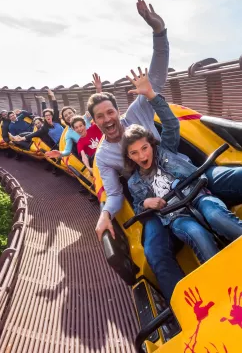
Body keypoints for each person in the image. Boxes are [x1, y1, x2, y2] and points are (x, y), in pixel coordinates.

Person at [121, 67, 242, 300]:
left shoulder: (166, 151)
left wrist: (151, 96)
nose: (141, 155)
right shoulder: (136, 182)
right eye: (134, 153)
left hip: (198, 195)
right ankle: (225, 283)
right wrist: (146, 202)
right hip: (176, 216)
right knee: (197, 234)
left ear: (151, 145)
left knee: (216, 215)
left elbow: (170, 124)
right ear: (129, 157)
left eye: (144, 148)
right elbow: (138, 206)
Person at [45, 73, 102, 160]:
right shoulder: (68, 134)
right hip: (92, 154)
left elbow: (95, 106)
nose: (68, 116)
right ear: (64, 119)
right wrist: (60, 153)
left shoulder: (85, 118)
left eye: (70, 113)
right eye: (66, 115)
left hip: (101, 143)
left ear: (74, 113)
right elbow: (67, 151)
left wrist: (98, 90)